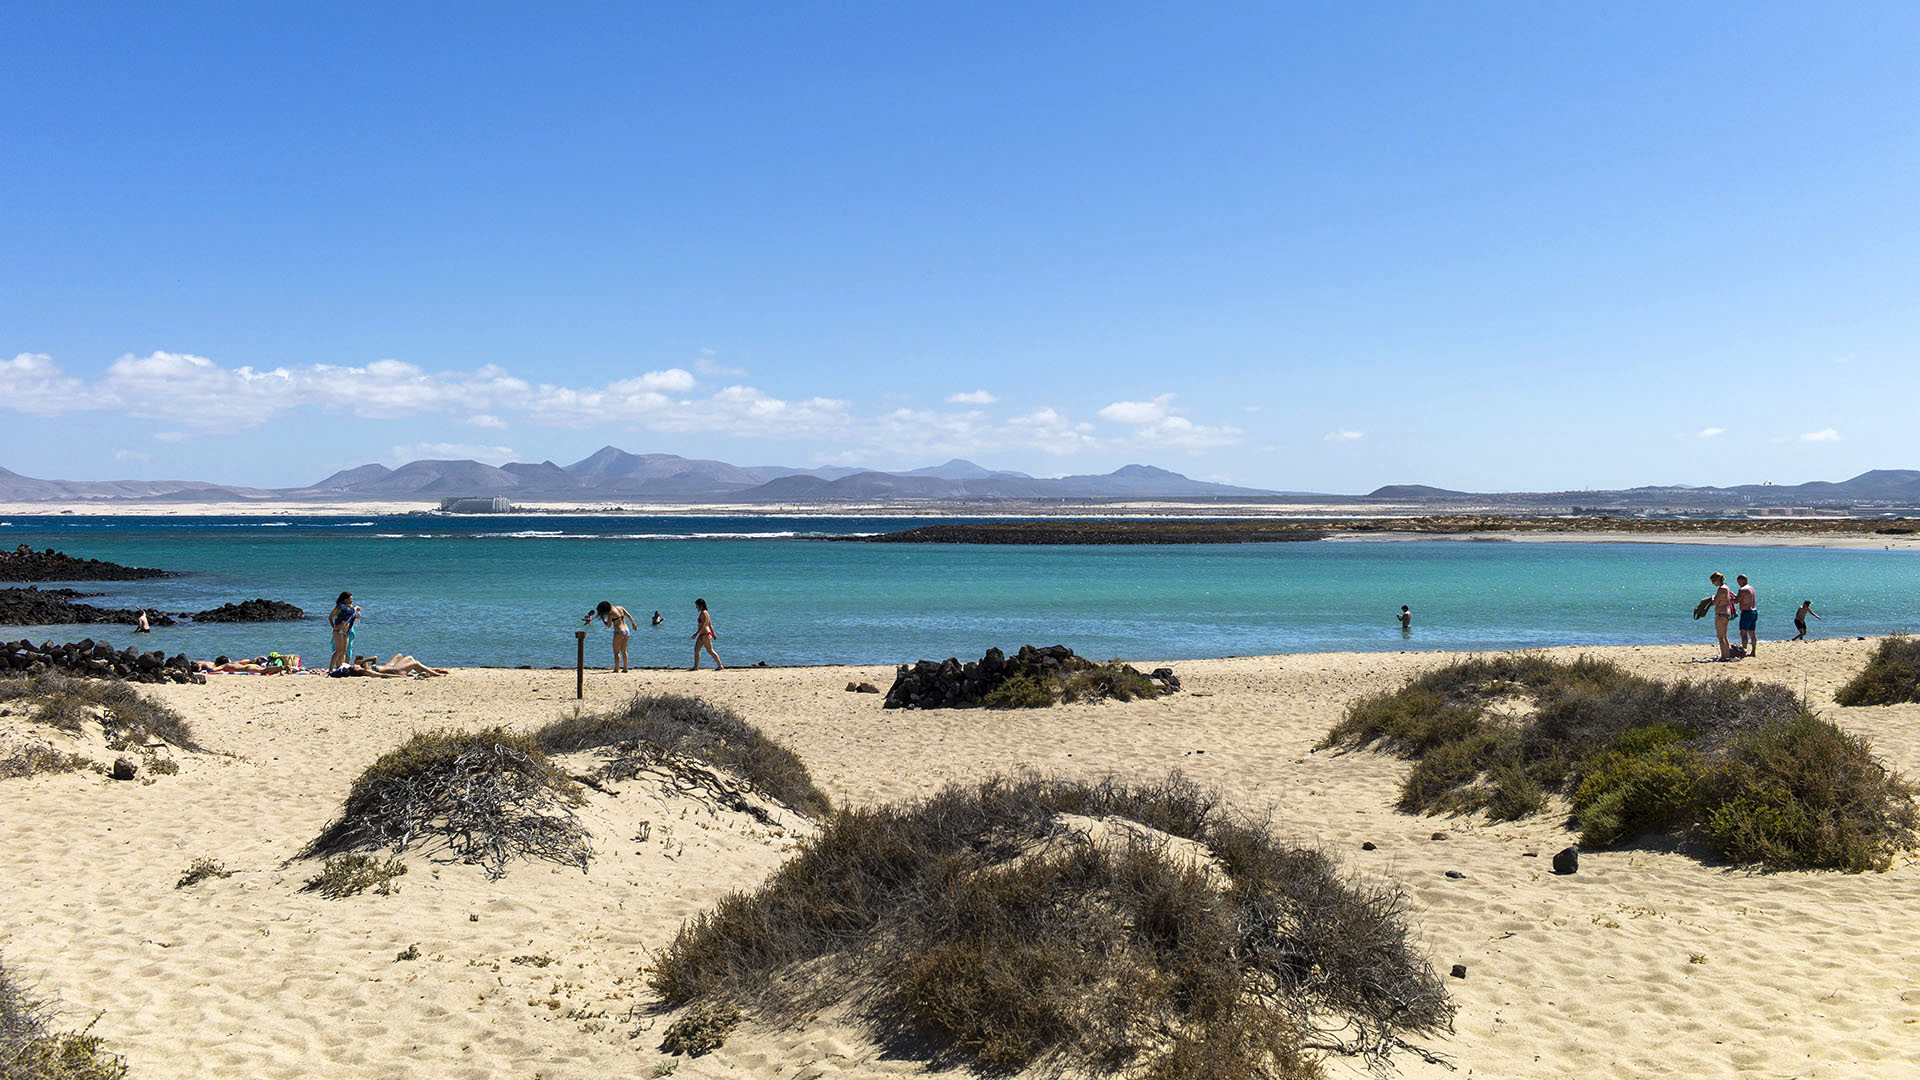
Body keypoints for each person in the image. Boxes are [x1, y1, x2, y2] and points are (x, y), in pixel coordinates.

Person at [583, 600, 637, 672]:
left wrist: (603, 619)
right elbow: (629, 616)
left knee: (616, 652)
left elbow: (608, 625)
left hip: (619, 631)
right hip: (627, 630)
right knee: (624, 651)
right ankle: (625, 668)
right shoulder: (620, 607)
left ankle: (616, 669)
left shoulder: (610, 613)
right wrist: (633, 624)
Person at [328, 591, 362, 670]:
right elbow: (330, 617)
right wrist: (334, 627)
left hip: (346, 631)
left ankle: (340, 667)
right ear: (345, 599)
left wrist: (354, 609)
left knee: (344, 651)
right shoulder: (340, 607)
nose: (352, 600)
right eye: (350, 599)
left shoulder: (349, 607)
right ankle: (330, 669)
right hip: (338, 631)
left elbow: (351, 614)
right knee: (338, 650)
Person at [1705, 572, 1734, 660]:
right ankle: (1726, 655)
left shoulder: (1722, 589)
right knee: (1724, 636)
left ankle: (1724, 656)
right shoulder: (1726, 587)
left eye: (1713, 581)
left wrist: (1712, 598)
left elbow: (1715, 602)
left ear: (1717, 580)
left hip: (1721, 613)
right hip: (1726, 612)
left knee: (1720, 636)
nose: (1713, 583)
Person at [691, 597, 723, 670]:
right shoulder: (703, 613)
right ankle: (695, 667)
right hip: (702, 634)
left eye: (697, 605)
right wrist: (714, 634)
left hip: (705, 634)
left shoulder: (705, 613)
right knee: (696, 649)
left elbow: (705, 625)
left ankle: (720, 666)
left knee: (710, 650)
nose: (696, 607)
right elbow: (710, 624)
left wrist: (696, 634)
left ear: (700, 605)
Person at [1735, 574, 1759, 657]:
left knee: (1743, 633)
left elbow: (1736, 601)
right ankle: (1753, 651)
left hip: (1746, 612)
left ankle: (1744, 651)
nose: (1738, 583)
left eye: (1739, 581)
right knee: (1752, 633)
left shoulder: (1742, 590)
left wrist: (1727, 599)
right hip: (1754, 611)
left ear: (1743, 580)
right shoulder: (1751, 588)